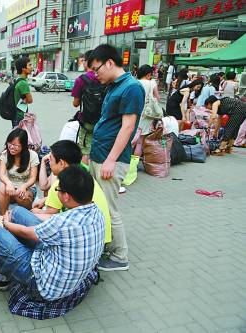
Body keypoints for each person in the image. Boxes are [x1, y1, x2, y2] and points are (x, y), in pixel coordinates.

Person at [0, 165, 105, 299]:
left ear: (66, 197)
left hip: (42, 285)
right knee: (16, 212)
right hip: (63, 274)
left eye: (58, 190)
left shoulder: (64, 222)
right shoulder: (97, 212)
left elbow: (30, 233)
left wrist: (7, 224)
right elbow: (45, 226)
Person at [88, 44, 145, 271]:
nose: (95, 73)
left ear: (109, 62)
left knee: (109, 208)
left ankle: (120, 256)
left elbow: (127, 127)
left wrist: (111, 160)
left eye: (96, 68)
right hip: (99, 154)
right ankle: (104, 244)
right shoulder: (113, 86)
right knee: (98, 205)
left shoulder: (132, 87)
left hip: (110, 158)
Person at [31, 140, 111, 244]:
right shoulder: (85, 177)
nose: (49, 163)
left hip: (84, 242)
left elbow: (49, 217)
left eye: (50, 159)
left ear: (62, 163)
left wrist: (34, 213)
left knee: (31, 217)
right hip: (101, 238)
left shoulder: (61, 184)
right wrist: (45, 199)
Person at [70, 50, 105, 165]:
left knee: (85, 149)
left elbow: (75, 104)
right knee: (99, 146)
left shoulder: (81, 80)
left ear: (87, 62)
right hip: (103, 119)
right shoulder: (104, 78)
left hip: (87, 121)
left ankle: (85, 177)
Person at [0, 128, 39, 214]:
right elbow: (2, 175)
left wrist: (24, 186)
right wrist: (9, 183)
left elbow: (33, 178)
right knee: (2, 186)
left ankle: (26, 215)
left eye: (16, 145)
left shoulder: (32, 155)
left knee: (21, 195)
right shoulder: (4, 154)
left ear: (23, 145)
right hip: (10, 189)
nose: (11, 147)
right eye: (10, 143)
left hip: (27, 189)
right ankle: (3, 215)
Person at [134, 64, 161, 156]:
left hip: (134, 112)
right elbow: (157, 98)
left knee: (130, 137)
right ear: (148, 74)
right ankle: (134, 165)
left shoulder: (135, 82)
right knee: (140, 142)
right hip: (146, 113)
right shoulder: (152, 83)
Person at [13, 57, 33, 128]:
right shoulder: (23, 83)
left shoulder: (17, 79)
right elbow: (30, 100)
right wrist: (26, 99)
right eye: (29, 65)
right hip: (20, 117)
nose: (31, 67)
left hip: (16, 114)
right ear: (23, 68)